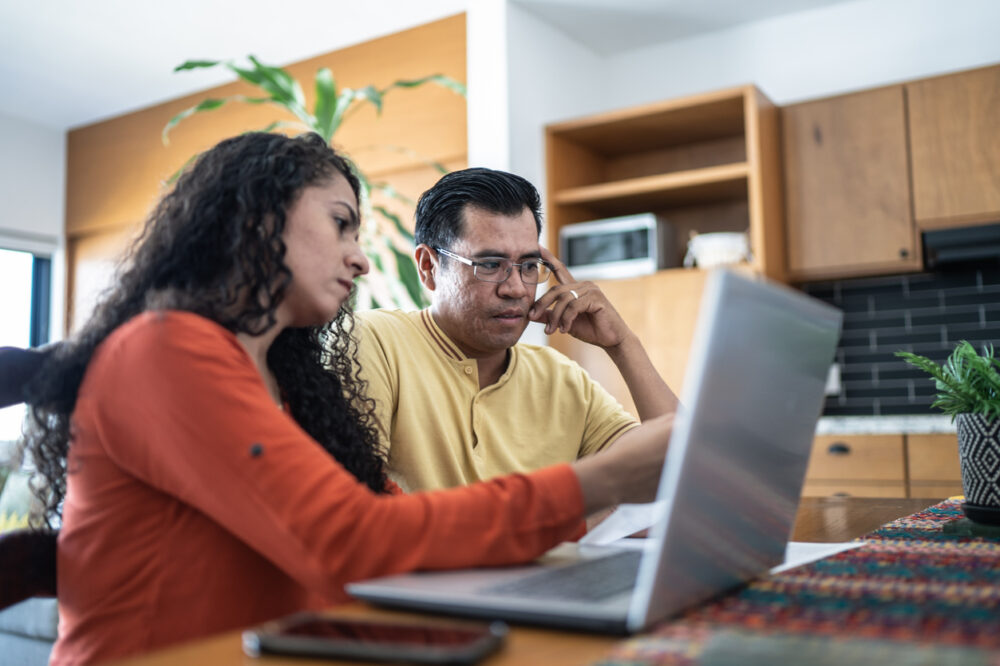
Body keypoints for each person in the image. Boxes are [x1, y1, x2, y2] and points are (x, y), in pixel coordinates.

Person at [21, 132, 672, 664]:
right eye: (341, 226)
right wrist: (596, 482)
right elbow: (354, 542)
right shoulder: (166, 351)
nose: (360, 262)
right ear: (256, 219)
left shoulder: (285, 379)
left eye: (528, 265)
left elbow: (383, 520)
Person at [354, 168, 678, 491]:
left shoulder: (561, 379)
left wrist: (622, 344)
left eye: (528, 266)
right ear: (429, 267)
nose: (516, 288)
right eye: (491, 265)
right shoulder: (376, 342)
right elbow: (356, 511)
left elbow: (678, 470)